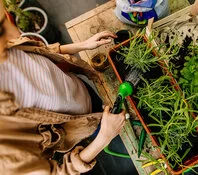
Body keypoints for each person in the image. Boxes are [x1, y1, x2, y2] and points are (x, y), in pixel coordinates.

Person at [0, 2, 127, 175]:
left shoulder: (4, 47)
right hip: (81, 128)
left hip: (82, 95)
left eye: (6, 17)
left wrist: (82, 45)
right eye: (1, 30)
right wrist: (104, 137)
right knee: (122, 151)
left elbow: (36, 54)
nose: (15, 33)